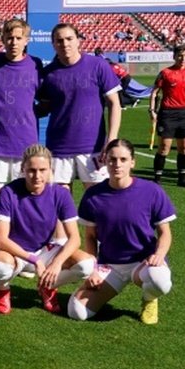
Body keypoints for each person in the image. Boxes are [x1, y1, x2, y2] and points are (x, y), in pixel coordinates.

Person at [70, 139, 175, 325]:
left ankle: (149, 297)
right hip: (110, 266)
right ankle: (107, 287)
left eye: (123, 159)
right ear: (104, 160)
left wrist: (159, 255)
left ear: (132, 162)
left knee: (160, 281)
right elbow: (90, 236)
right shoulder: (93, 195)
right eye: (112, 159)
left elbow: (165, 233)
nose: (117, 164)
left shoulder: (152, 191)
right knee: (77, 311)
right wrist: (93, 270)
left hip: (143, 263)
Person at [0, 144, 95, 315]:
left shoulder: (60, 193)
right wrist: (34, 260)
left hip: (44, 250)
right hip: (13, 252)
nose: (37, 176)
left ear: (50, 169)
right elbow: (1, 239)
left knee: (86, 265)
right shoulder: (8, 192)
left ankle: (48, 286)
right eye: (31, 170)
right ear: (23, 168)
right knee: (0, 268)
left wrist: (57, 263)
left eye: (42, 170)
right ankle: (3, 289)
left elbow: (75, 238)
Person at [0, 19, 44, 250]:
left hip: (25, 144)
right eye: (10, 37)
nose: (14, 42)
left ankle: (21, 246)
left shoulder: (35, 65)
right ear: (2, 38)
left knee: (23, 199)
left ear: (26, 40)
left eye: (19, 38)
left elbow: (45, 98)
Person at [38, 23, 122, 188]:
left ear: (78, 40)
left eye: (69, 39)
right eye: (59, 40)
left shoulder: (98, 65)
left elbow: (114, 104)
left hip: (93, 147)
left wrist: (111, 139)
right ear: (53, 44)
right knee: (61, 204)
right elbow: (44, 107)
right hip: (58, 147)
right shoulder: (48, 74)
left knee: (97, 202)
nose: (65, 44)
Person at [149, 44, 185, 187]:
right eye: (180, 55)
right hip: (168, 114)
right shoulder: (165, 73)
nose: (183, 58)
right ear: (174, 56)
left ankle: (182, 179)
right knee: (164, 148)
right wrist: (152, 110)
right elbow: (155, 92)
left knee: (184, 148)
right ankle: (157, 179)